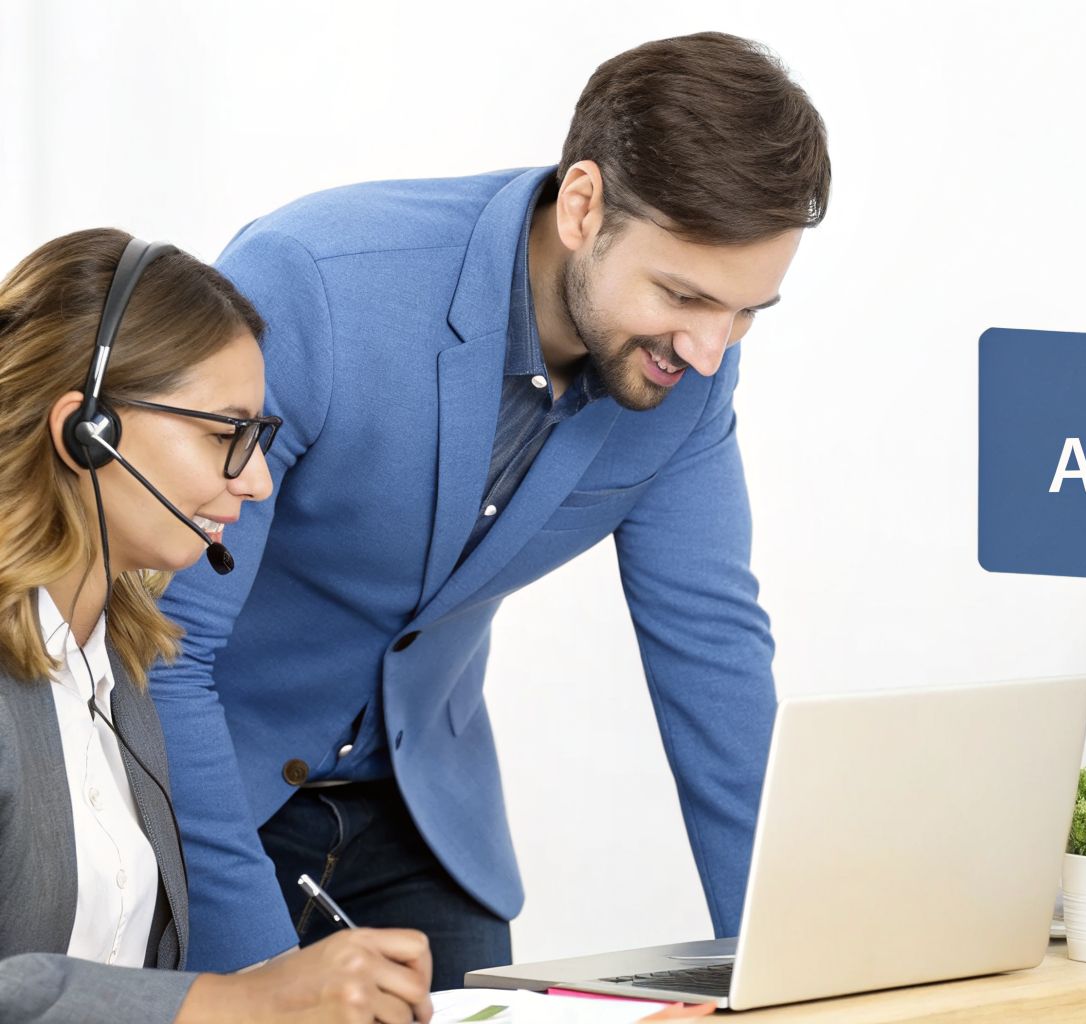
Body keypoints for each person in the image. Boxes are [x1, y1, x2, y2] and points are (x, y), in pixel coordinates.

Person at [150, 31, 833, 985]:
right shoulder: (318, 286)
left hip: (427, 827)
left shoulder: (686, 371)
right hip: (206, 798)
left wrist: (798, 975)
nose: (714, 349)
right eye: (682, 293)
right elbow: (164, 653)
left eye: (748, 310)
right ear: (584, 205)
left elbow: (714, 654)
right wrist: (266, 989)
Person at [0, 229, 435, 1024]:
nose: (261, 479)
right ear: (87, 431)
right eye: (225, 433)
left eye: (259, 438)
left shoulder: (118, 676)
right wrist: (228, 1000)